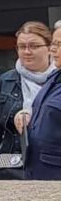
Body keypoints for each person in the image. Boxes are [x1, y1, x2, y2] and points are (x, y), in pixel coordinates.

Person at [0, 21, 55, 179]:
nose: (27, 52)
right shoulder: (4, 82)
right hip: (12, 169)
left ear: (49, 48)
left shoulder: (57, 82)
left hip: (52, 167)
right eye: (22, 46)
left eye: (34, 46)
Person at [25, 23, 61, 180]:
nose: (53, 49)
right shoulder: (54, 77)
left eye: (59, 44)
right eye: (53, 43)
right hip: (39, 170)